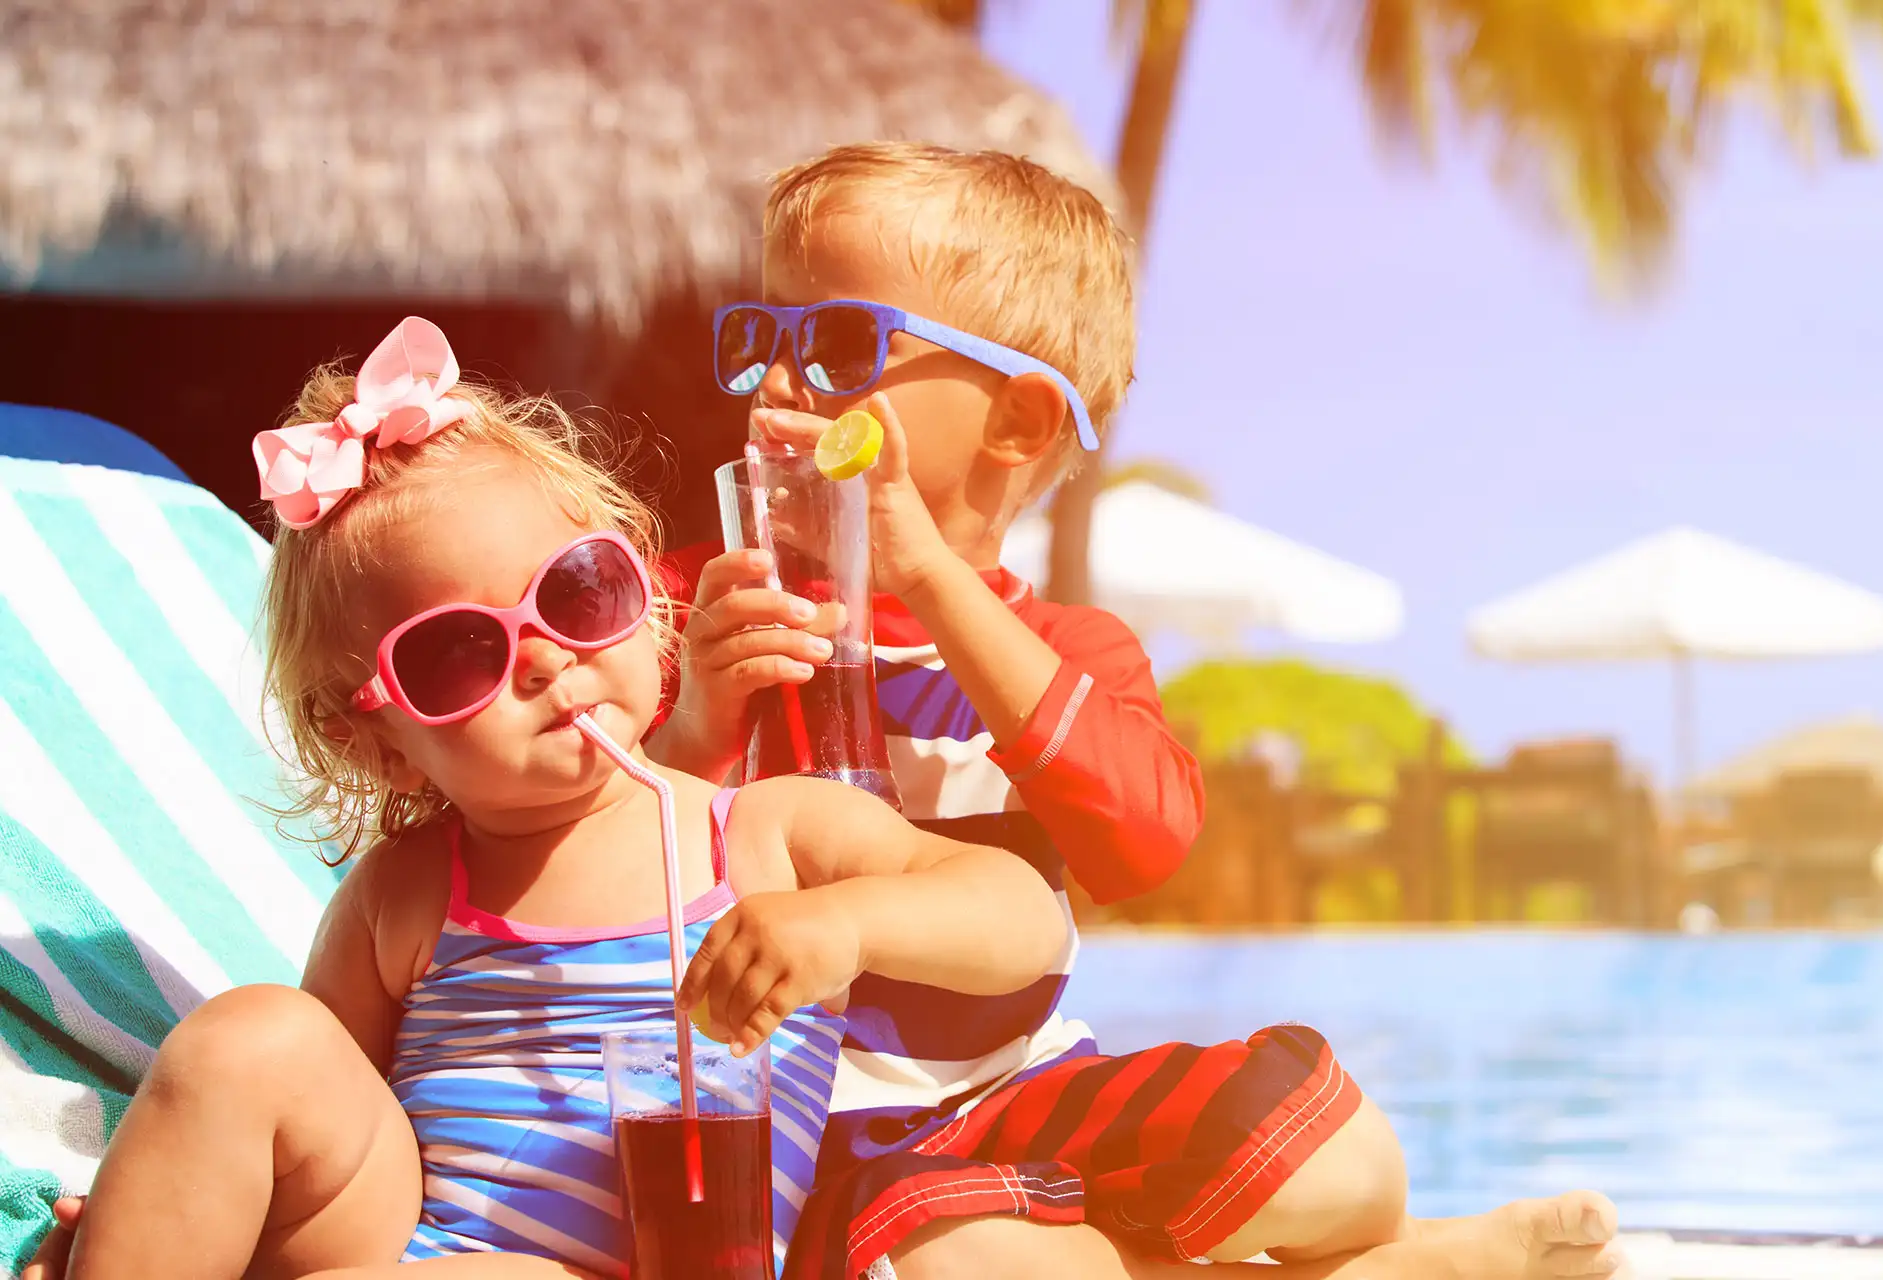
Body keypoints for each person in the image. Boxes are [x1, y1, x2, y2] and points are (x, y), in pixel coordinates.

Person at [650, 143, 1625, 1280]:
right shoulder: (692, 613)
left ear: (1016, 420)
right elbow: (596, 869)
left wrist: (924, 575)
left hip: (1019, 1101)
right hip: (812, 1154)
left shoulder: (1065, 652)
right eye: (764, 341)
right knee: (959, 1263)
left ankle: (1390, 1242)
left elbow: (1143, 840)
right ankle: (1412, 1268)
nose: (777, 388)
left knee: (1349, 1160)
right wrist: (697, 724)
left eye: (837, 348)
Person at [21, 317, 1069, 1278]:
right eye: (458, 652)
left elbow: (1027, 919)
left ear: (637, 592)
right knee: (252, 1036)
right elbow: (310, 1118)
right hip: (414, 1240)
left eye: (577, 592)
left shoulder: (763, 832)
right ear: (378, 739)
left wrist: (845, 921)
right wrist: (163, 1203)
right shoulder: (409, 892)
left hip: (664, 1260)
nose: (543, 659)